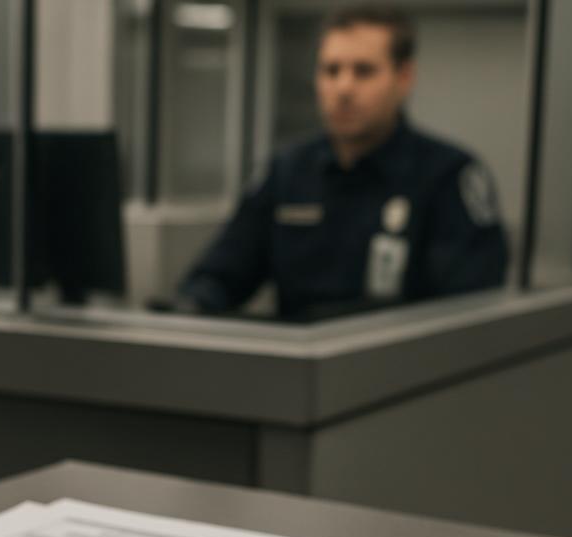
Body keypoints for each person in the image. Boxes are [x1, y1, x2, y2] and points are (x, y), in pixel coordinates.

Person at [177, 4, 509, 321]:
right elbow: (218, 276)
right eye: (331, 70)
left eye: (363, 71)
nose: (343, 88)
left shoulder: (448, 176)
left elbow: (468, 311)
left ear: (404, 77)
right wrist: (191, 311)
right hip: (298, 355)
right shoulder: (287, 172)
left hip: (400, 358)